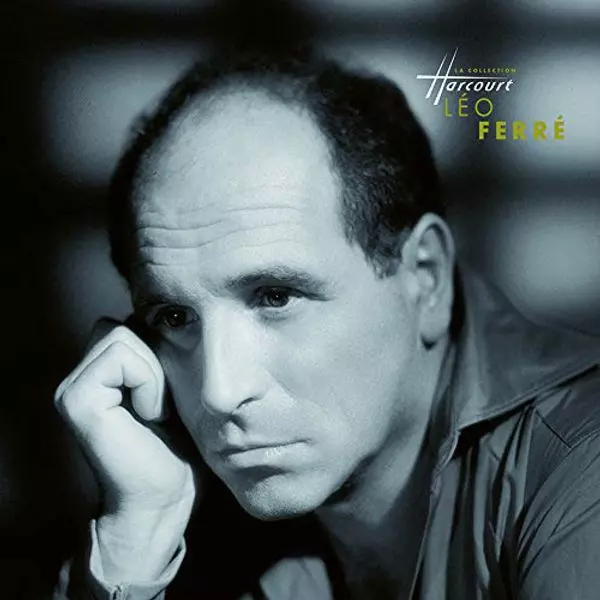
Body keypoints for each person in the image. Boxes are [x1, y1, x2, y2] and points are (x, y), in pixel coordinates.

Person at [53, 48, 600, 600]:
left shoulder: (579, 469)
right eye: (175, 316)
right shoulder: (194, 515)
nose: (220, 392)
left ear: (425, 277)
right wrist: (137, 535)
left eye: (276, 297)